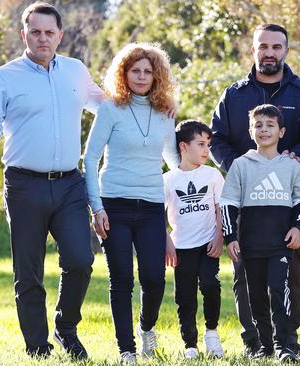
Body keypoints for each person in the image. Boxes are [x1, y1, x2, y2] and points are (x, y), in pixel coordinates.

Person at [0, 2, 105, 360]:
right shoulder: (4, 77)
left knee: (80, 259)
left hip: (69, 185)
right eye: (36, 32)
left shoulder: (75, 71)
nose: (43, 38)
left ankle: (66, 328)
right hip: (24, 186)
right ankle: (37, 346)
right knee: (28, 270)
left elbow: (107, 105)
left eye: (50, 32)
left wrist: (156, 102)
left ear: (60, 35)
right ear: (24, 34)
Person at [210, 23, 300, 357]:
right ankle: (255, 343)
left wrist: (295, 156)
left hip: (284, 204)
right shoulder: (234, 94)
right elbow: (215, 138)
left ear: (286, 50)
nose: (269, 52)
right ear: (253, 49)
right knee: (246, 278)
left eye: (276, 46)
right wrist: (241, 168)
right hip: (246, 205)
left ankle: (287, 341)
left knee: (289, 276)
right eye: (263, 46)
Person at [82, 42, 180, 365]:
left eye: (147, 71)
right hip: (114, 206)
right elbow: (91, 158)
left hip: (151, 207)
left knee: (154, 278)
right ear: (124, 74)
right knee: (121, 277)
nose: (141, 77)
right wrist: (96, 208)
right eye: (134, 70)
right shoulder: (111, 109)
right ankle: (126, 349)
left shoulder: (164, 113)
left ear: (157, 76)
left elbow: (174, 162)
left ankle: (146, 328)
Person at [220, 104, 300, 363]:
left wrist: (298, 227)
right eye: (258, 125)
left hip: (280, 243)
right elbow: (228, 203)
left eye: (270, 125)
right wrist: (230, 237)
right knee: (256, 296)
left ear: (281, 132)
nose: (264, 130)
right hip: (250, 244)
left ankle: (285, 346)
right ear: (250, 131)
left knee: (279, 291)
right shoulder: (241, 165)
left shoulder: (291, 166)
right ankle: (265, 345)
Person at [163, 120, 225, 359]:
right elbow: (160, 215)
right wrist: (168, 242)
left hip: (208, 245)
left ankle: (211, 334)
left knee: (211, 286)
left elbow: (221, 208)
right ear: (183, 146)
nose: (206, 150)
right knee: (185, 297)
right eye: (200, 144)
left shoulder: (212, 175)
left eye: (208, 144)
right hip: (181, 248)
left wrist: (220, 236)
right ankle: (190, 344)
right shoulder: (168, 180)